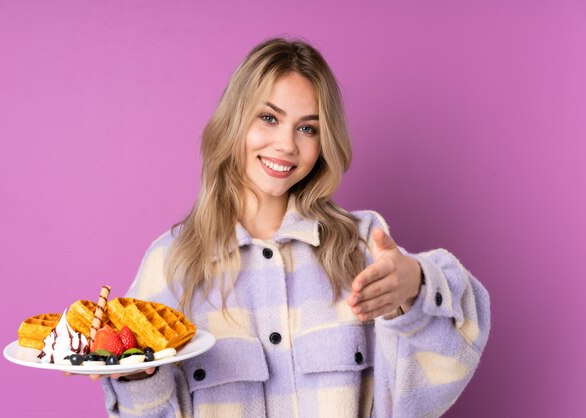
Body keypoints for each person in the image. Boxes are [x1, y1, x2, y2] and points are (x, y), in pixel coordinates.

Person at [98, 38, 491, 417]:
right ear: (234, 121)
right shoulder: (172, 263)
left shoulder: (360, 246)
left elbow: (426, 387)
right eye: (268, 118)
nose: (286, 145)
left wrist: (416, 288)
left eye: (308, 128)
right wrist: (136, 375)